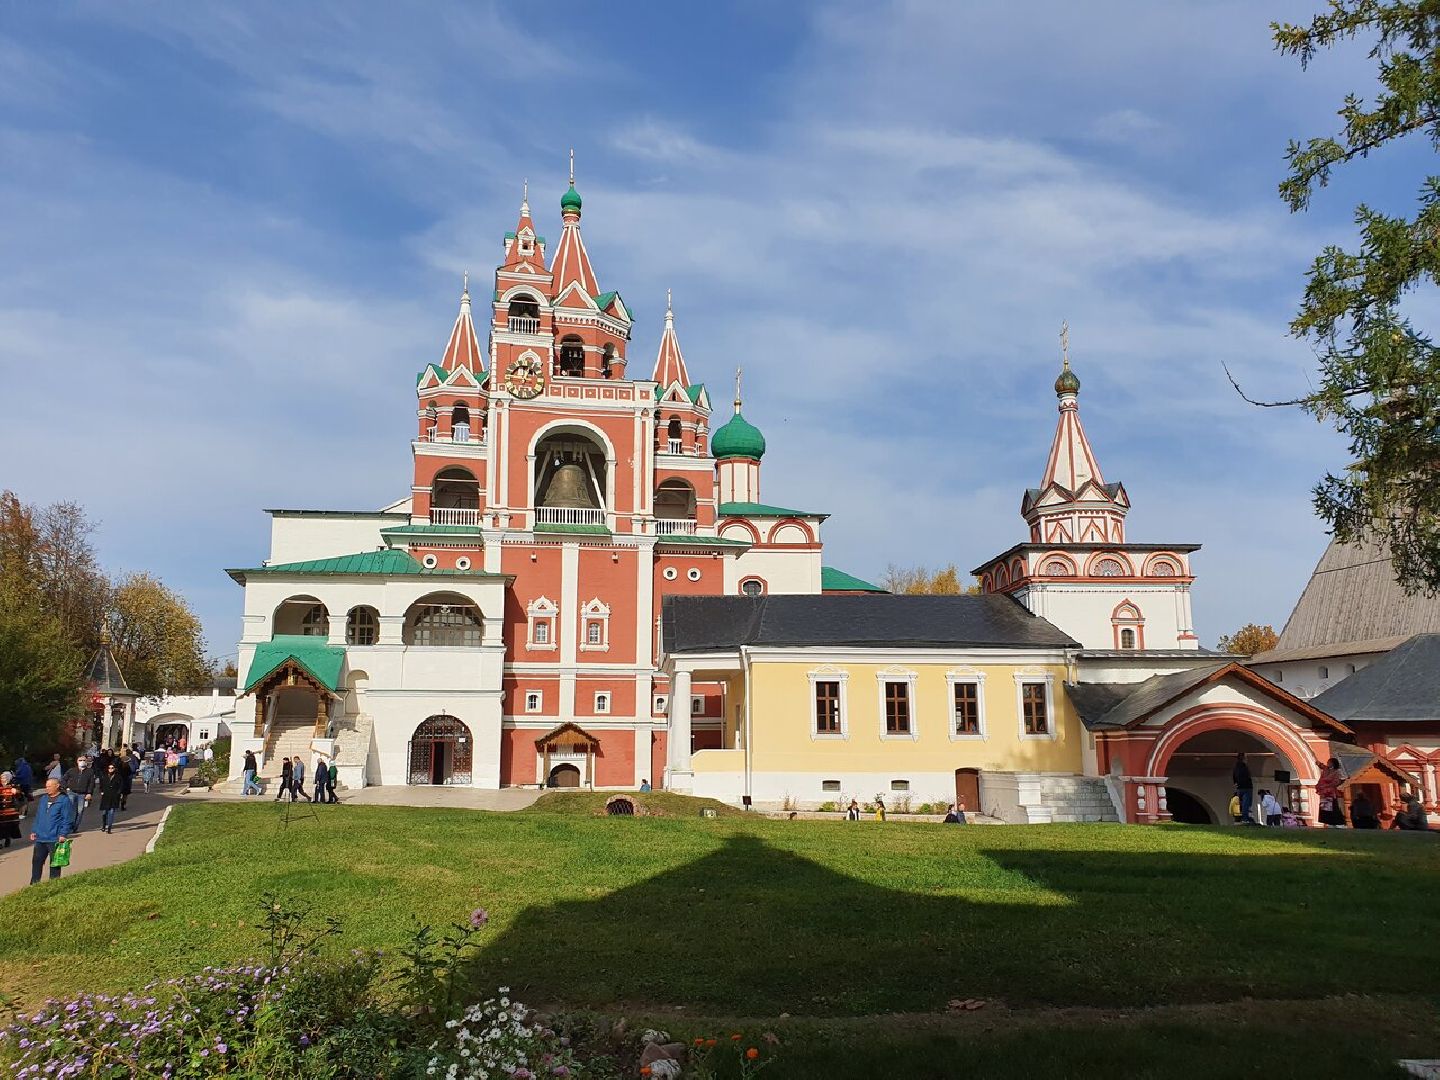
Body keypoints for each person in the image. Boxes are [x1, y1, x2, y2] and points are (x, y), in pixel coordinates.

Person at [29, 778, 75, 885]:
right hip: (40, 837)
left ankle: (53, 884)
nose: (47, 788)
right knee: (37, 862)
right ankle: (34, 885)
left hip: (54, 837)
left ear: (57, 786)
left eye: (49, 786)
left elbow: (67, 819)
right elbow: (38, 816)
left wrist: (63, 834)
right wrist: (34, 830)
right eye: (46, 786)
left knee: (55, 864)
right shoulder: (43, 799)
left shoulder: (63, 800)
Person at [60, 756, 98, 833]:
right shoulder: (72, 770)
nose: (82, 761)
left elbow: (91, 783)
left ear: (86, 761)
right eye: (80, 760)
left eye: (84, 760)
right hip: (71, 792)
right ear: (77, 761)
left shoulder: (90, 772)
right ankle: (69, 826)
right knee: (71, 810)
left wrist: (89, 793)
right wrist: (66, 788)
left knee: (80, 811)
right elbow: (63, 779)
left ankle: (75, 827)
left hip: (82, 794)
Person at [1317, 757, 1347, 828]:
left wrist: (1328, 784)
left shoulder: (1336, 772)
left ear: (1333, 763)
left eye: (1329, 762)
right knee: (1324, 807)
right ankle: (1327, 822)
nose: (1328, 764)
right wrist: (1318, 764)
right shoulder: (1326, 770)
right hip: (1324, 792)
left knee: (1333, 807)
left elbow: (1337, 781)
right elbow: (1322, 766)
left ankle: (1336, 822)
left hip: (1330, 792)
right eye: (1328, 762)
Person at [98, 760, 125, 833]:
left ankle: (109, 827)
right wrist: (101, 791)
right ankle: (104, 825)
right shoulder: (104, 776)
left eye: (112, 768)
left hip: (114, 796)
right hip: (106, 796)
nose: (110, 769)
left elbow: (121, 786)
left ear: (115, 768)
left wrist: (119, 793)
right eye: (109, 768)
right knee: (104, 812)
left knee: (111, 812)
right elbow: (101, 785)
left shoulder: (118, 777)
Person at [0, 771, 22, 848]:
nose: (3, 779)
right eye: (2, 778)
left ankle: (7, 839)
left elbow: (20, 796)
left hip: (10, 810)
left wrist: (16, 792)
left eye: (5, 778)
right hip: (1, 810)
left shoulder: (14, 785)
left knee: (9, 826)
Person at [1232, 753, 1254, 824]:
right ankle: (1245, 819)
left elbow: (1234, 777)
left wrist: (1236, 783)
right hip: (1246, 787)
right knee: (1246, 804)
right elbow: (1247, 776)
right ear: (1243, 758)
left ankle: (1239, 819)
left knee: (1241, 804)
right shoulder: (1244, 767)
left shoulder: (1236, 767)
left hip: (1239, 788)